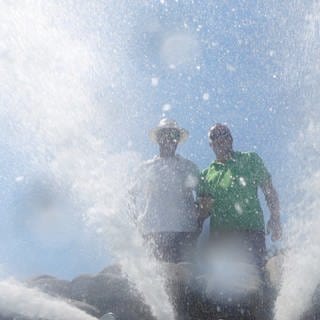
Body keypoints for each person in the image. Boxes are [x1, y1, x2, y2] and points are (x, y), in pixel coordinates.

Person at [197, 123, 281, 269]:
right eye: (214, 136)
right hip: (222, 240)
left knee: (257, 276)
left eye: (224, 134)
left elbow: (269, 191)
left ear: (231, 139)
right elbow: (202, 214)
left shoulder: (250, 160)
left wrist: (275, 218)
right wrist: (201, 213)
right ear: (210, 144)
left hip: (251, 233)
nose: (220, 139)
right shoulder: (206, 175)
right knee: (222, 286)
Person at [130, 118, 200, 263]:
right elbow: (131, 197)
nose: (169, 139)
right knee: (157, 281)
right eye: (165, 135)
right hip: (153, 232)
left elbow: (204, 197)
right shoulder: (145, 168)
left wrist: (197, 224)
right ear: (158, 139)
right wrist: (137, 224)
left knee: (183, 279)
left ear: (178, 140)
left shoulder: (189, 167)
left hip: (184, 232)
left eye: (174, 136)